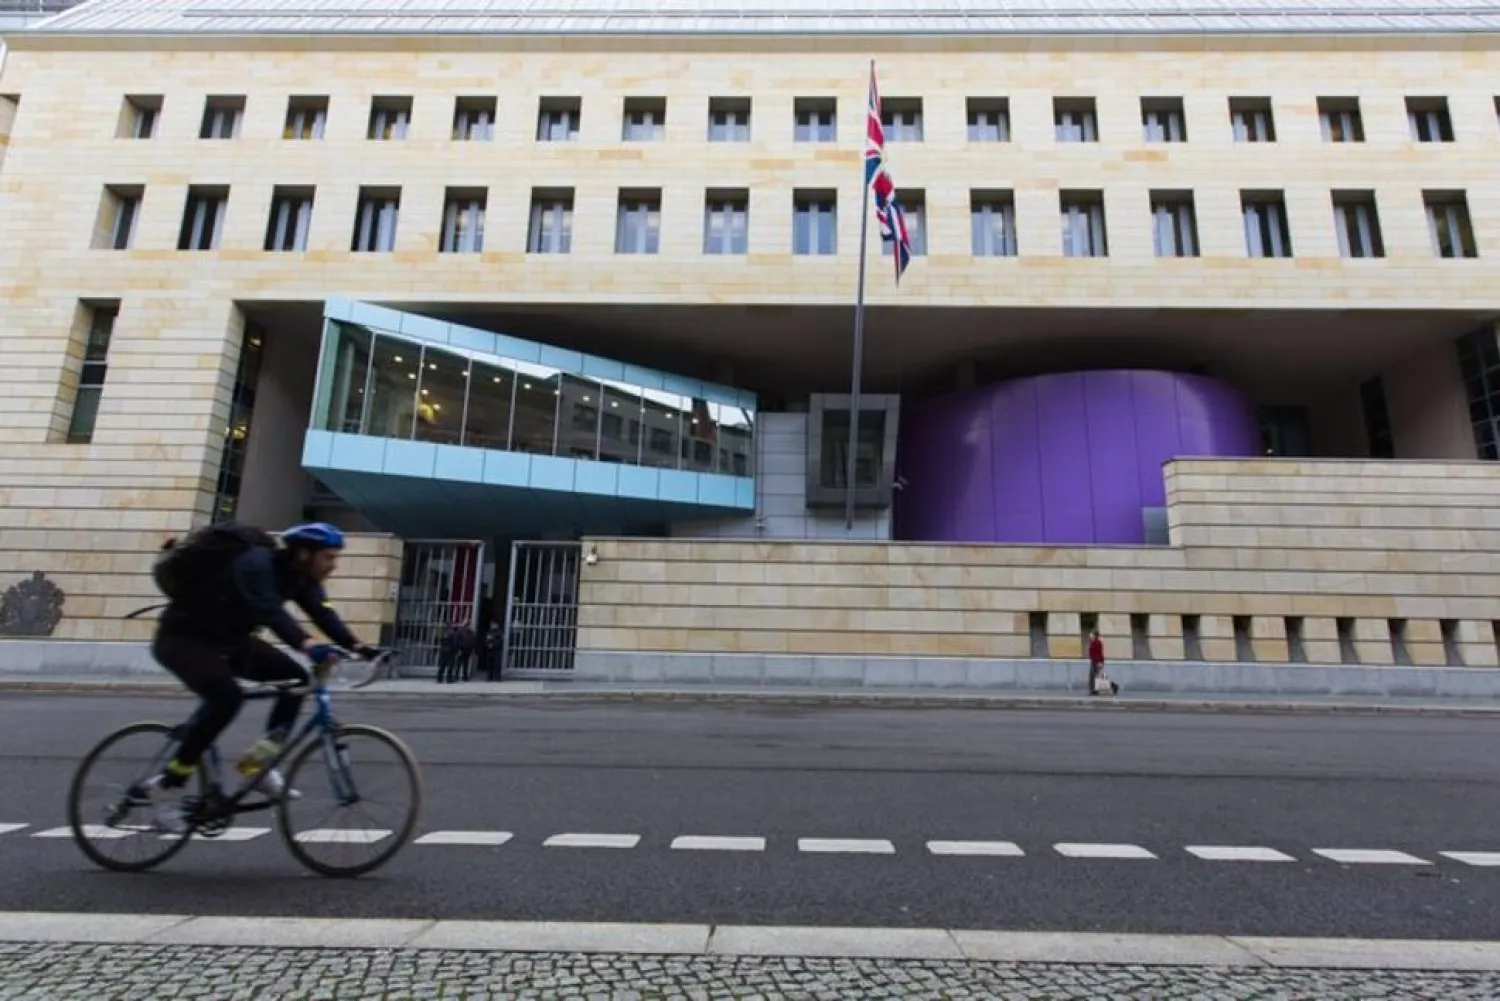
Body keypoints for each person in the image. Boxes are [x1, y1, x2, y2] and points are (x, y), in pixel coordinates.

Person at [146, 521, 383, 834]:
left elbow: (323, 613)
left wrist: (362, 648)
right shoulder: (255, 564)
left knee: (296, 680)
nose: (333, 566)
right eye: (328, 557)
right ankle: (167, 785)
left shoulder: (301, 578)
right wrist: (307, 644)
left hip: (231, 640)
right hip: (184, 638)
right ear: (303, 553)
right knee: (226, 698)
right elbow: (270, 611)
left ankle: (257, 766)